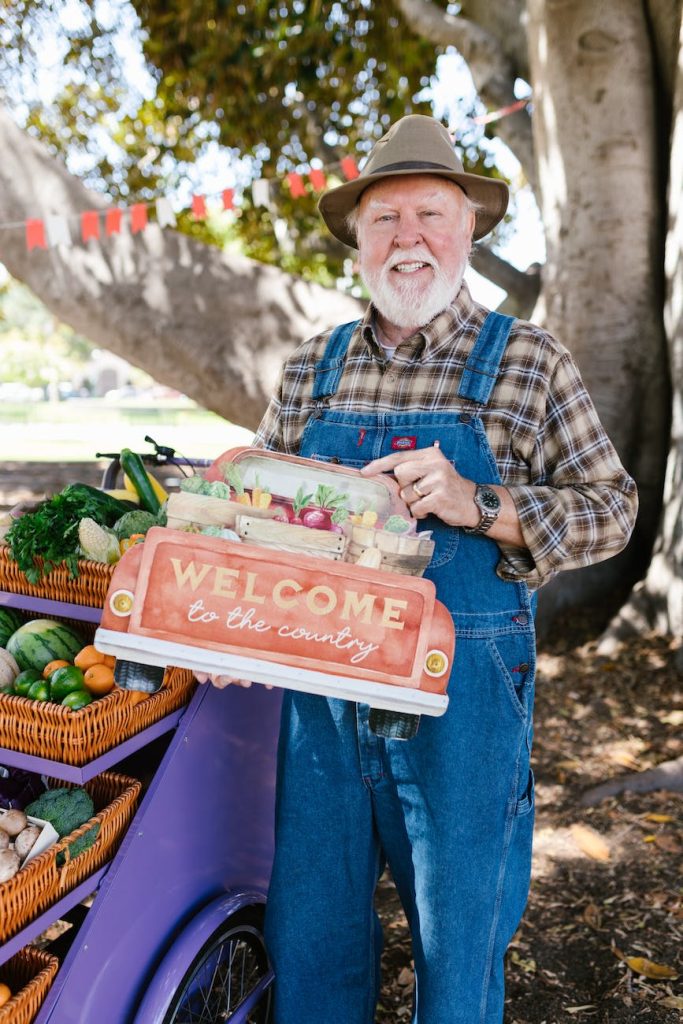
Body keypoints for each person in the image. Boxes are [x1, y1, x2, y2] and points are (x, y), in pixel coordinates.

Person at [198, 114, 638, 1023]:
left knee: (458, 945)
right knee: (309, 945)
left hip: (461, 707)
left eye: (429, 214)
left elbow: (613, 510)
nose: (408, 239)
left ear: (468, 228)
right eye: (384, 219)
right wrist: (221, 614)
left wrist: (479, 503)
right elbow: (254, 524)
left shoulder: (527, 362)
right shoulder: (309, 373)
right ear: (357, 239)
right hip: (318, 693)